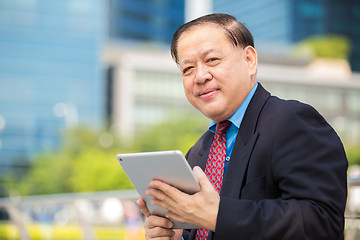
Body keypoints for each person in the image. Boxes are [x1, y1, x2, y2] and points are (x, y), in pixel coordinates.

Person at [137, 13, 348, 240]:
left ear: (249, 60)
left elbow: (321, 222)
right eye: (187, 69)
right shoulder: (197, 153)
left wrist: (217, 214)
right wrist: (177, 236)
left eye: (212, 60)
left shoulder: (292, 121)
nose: (199, 76)